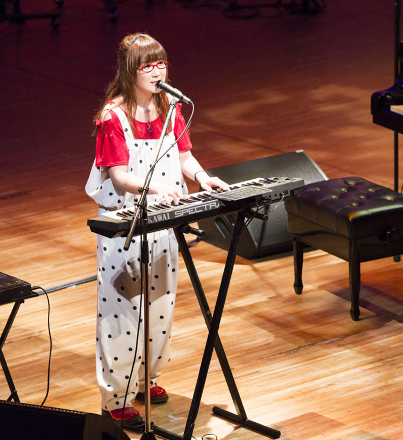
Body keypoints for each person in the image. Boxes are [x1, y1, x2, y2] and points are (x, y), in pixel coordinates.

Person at [85, 33, 229, 427]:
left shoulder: (169, 107)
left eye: (161, 63)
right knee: (123, 309)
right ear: (130, 70)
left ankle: (145, 379)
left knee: (159, 303)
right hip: (125, 222)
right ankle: (116, 397)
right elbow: (118, 176)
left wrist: (203, 177)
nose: (156, 71)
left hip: (164, 218)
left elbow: (184, 156)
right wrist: (153, 188)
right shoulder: (113, 117)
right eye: (147, 65)